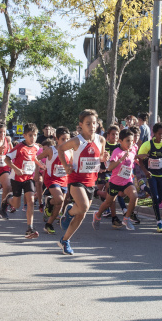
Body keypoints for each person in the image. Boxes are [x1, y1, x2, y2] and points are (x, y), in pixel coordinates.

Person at [58, 109, 108, 255]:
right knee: (84, 206)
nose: (92, 126)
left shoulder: (101, 140)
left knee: (81, 214)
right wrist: (66, 166)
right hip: (76, 179)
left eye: (94, 123)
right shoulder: (76, 140)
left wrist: (104, 158)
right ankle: (68, 212)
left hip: (91, 180)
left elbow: (101, 158)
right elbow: (61, 149)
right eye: (88, 123)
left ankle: (65, 240)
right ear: (81, 125)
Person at [3, 123, 45, 239]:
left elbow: (33, 157)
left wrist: (40, 164)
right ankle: (7, 200)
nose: (33, 138)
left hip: (28, 178)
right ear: (25, 135)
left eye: (35, 135)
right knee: (16, 204)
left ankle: (29, 227)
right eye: (30, 135)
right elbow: (6, 159)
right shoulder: (19, 147)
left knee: (30, 201)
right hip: (17, 179)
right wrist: (16, 169)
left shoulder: (36, 147)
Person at [92, 128, 139, 230]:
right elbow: (110, 167)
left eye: (131, 141)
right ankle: (97, 215)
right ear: (120, 141)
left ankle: (126, 218)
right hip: (115, 182)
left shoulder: (133, 149)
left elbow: (134, 158)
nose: (130, 143)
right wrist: (121, 159)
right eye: (127, 141)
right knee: (108, 202)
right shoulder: (117, 152)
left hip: (127, 181)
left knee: (134, 196)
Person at [137, 122, 162, 233]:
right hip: (151, 174)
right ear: (154, 133)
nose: (161, 136)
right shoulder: (147, 145)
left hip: (161, 175)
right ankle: (159, 222)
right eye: (159, 134)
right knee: (155, 198)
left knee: (158, 198)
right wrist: (145, 171)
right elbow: (139, 159)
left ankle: (143, 187)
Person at [38, 127, 72, 234]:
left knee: (59, 204)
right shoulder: (51, 150)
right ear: (56, 139)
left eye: (68, 139)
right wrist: (41, 165)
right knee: (60, 199)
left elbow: (71, 165)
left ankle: (49, 224)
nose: (66, 142)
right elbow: (36, 158)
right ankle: (49, 202)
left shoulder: (70, 151)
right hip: (51, 179)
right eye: (63, 139)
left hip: (64, 180)